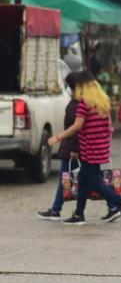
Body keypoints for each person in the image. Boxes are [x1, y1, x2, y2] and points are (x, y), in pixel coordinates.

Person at [47, 71, 121, 227]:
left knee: (94, 182)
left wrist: (58, 137)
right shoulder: (103, 102)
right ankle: (79, 214)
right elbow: (109, 128)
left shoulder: (84, 103)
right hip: (99, 150)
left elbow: (77, 126)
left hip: (88, 150)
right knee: (84, 180)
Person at [37, 72, 81, 221]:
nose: (66, 87)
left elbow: (76, 130)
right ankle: (56, 209)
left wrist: (74, 149)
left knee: (69, 180)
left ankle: (114, 203)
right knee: (70, 180)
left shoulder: (76, 105)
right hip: (70, 148)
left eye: (67, 84)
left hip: (71, 149)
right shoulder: (77, 103)